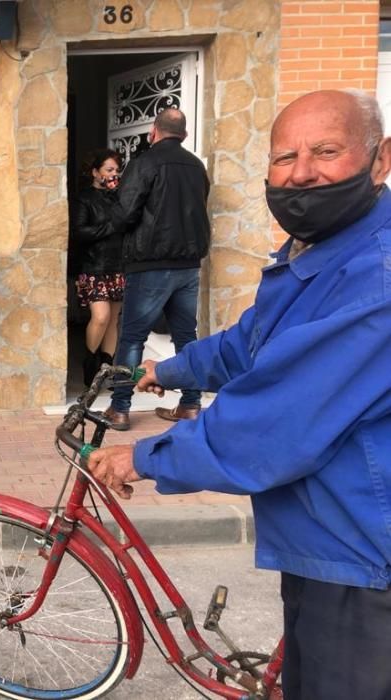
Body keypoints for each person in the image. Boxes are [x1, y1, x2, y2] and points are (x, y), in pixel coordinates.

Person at [89, 89, 391, 700]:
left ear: (380, 160)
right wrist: (170, 372)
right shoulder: (320, 252)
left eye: (326, 151)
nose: (301, 172)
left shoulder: (374, 278)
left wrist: (142, 457)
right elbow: (250, 342)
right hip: (324, 536)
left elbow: (273, 424)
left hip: (365, 554)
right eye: (284, 158)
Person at [104, 108, 211, 430]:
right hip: (188, 263)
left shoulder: (145, 163)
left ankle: (120, 408)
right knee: (186, 336)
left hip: (151, 262)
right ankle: (191, 404)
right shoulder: (196, 166)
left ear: (153, 131)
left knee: (132, 337)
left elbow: (125, 214)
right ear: (185, 135)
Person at [70, 148, 125, 387]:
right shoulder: (84, 198)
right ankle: (90, 362)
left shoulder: (120, 198)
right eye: (108, 170)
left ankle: (106, 366)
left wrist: (119, 197)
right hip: (93, 266)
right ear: (95, 172)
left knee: (113, 320)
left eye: (116, 170)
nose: (113, 174)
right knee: (100, 317)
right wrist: (111, 228)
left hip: (118, 265)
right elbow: (80, 232)